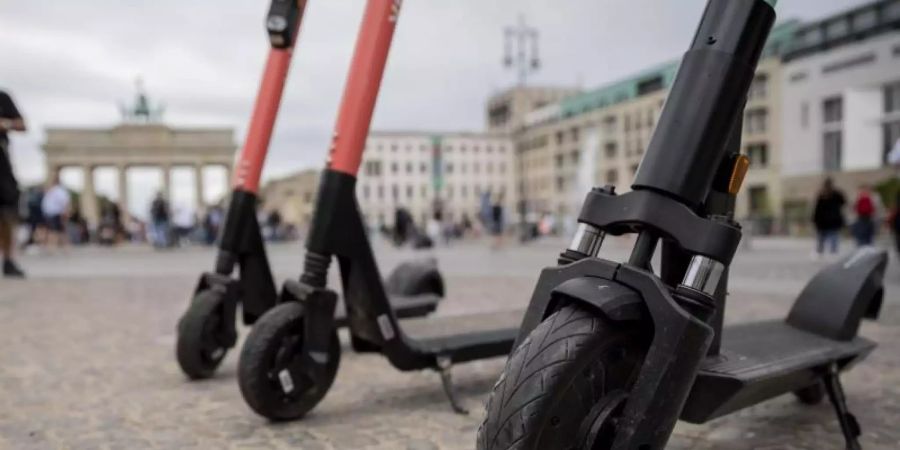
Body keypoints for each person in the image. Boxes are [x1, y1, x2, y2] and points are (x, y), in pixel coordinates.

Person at [0, 90, 27, 276]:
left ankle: (8, 259)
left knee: (7, 210)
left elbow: (22, 124)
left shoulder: (2, 98)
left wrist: (5, 123)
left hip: (0, 160)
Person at [812, 178, 846, 257]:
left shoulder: (822, 194)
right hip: (832, 219)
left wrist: (814, 219)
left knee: (822, 236)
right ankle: (833, 251)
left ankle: (820, 251)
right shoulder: (836, 194)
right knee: (832, 235)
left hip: (823, 220)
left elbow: (817, 208)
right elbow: (843, 203)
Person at [41, 172, 71, 250]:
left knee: (54, 230)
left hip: (54, 213)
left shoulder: (56, 191)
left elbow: (64, 202)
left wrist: (65, 212)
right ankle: (65, 247)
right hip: (54, 213)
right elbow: (65, 202)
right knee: (59, 230)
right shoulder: (57, 191)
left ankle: (52, 247)